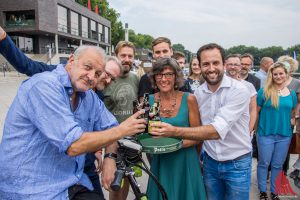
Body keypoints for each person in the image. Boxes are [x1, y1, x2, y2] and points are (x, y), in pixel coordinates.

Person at [0, 45, 146, 199]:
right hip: (31, 189)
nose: (91, 77)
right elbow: (73, 145)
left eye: (97, 73)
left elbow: (110, 125)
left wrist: (110, 158)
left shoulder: (88, 95)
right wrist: (123, 130)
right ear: (71, 61)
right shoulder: (44, 85)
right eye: (87, 67)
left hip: (70, 180)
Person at [150, 43, 253, 200]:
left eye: (215, 63)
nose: (211, 68)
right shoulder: (199, 93)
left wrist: (173, 132)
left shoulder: (239, 90)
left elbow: (215, 130)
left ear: (224, 64)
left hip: (236, 163)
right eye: (206, 64)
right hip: (210, 162)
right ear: (200, 66)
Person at [146, 57, 206, 200]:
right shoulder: (150, 100)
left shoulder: (189, 99)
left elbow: (198, 136)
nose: (163, 79)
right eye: (159, 75)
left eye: (168, 74)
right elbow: (149, 133)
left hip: (186, 161)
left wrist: (174, 144)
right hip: (162, 162)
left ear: (176, 77)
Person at [102, 41, 140, 200]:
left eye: (130, 56)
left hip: (133, 139)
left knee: (128, 178)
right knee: (115, 182)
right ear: (116, 55)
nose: (126, 59)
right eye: (123, 55)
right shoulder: (107, 78)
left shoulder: (135, 78)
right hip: (114, 139)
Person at [256, 62, 297, 200]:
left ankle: (274, 192)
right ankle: (262, 191)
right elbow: (256, 112)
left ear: (286, 75)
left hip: (284, 135)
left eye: (281, 73)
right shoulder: (263, 92)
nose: (278, 76)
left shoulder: (292, 94)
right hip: (265, 134)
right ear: (271, 76)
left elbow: (292, 113)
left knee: (278, 165)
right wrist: (252, 130)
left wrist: (292, 122)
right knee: (264, 163)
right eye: (275, 74)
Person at [277, 55, 300, 177]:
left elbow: (298, 102)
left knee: (285, 147)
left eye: (288, 65)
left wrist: (295, 118)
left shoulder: (296, 83)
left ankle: (282, 172)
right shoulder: (274, 79)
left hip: (288, 120)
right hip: (274, 118)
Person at [225, 54, 257, 134]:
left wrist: (249, 129)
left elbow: (253, 109)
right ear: (225, 66)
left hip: (242, 131)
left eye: (236, 64)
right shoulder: (217, 85)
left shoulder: (248, 86)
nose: (233, 67)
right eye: (230, 64)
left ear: (240, 67)